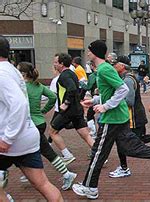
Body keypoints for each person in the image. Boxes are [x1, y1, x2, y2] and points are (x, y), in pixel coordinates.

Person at [72, 40, 150, 199]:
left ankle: (90, 187)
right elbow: (111, 91)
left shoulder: (104, 69)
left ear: (94, 52)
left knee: (98, 153)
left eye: (89, 50)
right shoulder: (105, 68)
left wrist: (105, 106)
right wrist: (95, 101)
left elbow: (122, 89)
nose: (87, 53)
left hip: (112, 118)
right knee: (131, 148)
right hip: (118, 117)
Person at [0, 35, 63, 201]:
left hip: (10, 140)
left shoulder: (1, 73)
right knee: (42, 184)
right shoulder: (11, 70)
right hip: (26, 136)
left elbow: (19, 104)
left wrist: (7, 138)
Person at [108, 55, 150, 178]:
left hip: (133, 117)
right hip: (134, 117)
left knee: (132, 146)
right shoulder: (126, 78)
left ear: (122, 66)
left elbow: (129, 101)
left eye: (114, 64)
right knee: (128, 141)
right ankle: (124, 167)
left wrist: (112, 101)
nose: (112, 66)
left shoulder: (128, 79)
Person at [17, 62, 78, 190]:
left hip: (28, 124)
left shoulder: (21, 87)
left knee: (35, 152)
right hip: (39, 122)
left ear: (23, 73)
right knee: (39, 151)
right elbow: (52, 97)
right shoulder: (38, 85)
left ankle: (65, 174)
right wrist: (43, 111)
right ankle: (32, 173)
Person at [49, 53, 94, 164]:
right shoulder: (72, 74)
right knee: (85, 134)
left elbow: (72, 89)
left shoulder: (64, 76)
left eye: (56, 62)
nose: (54, 64)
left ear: (62, 64)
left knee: (52, 132)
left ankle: (67, 155)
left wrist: (66, 103)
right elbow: (76, 89)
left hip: (68, 111)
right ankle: (100, 157)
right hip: (76, 109)